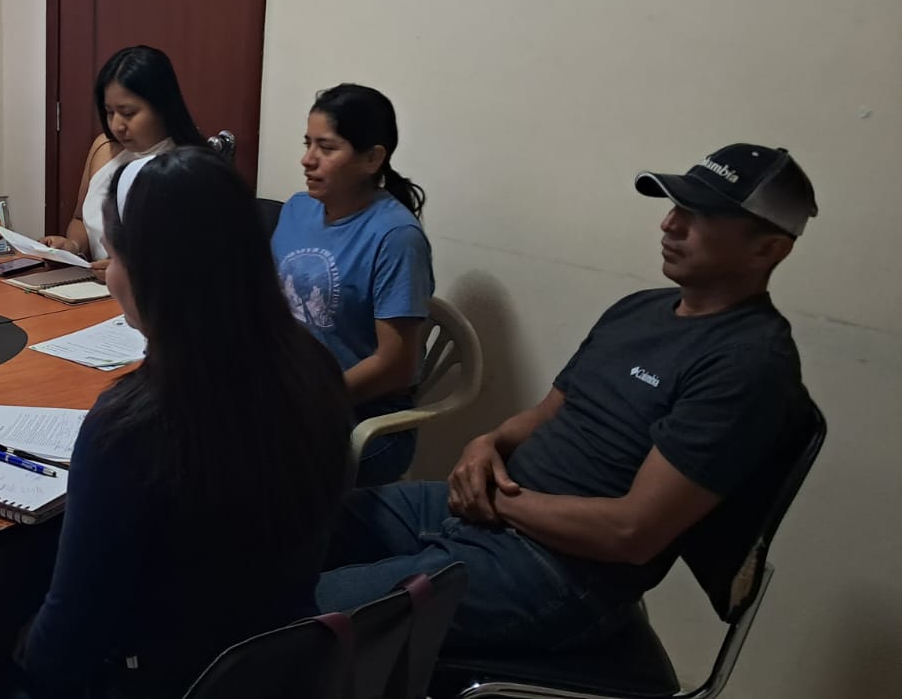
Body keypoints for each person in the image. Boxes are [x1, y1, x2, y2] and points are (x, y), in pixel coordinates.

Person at [315, 144, 818, 652]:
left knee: (306, 614)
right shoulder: (639, 309)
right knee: (296, 524)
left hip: (557, 572)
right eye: (675, 206)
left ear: (768, 249)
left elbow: (631, 533)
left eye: (701, 215)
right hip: (485, 514)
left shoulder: (748, 364)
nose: (670, 224)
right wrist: (485, 444)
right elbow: (545, 414)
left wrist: (496, 501)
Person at [18, 148, 351, 698]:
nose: (109, 276)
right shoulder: (314, 369)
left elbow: (66, 645)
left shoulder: (131, 426)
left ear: (153, 274)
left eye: (114, 256)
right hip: (284, 668)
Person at [270, 84, 433, 484]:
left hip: (363, 414)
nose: (307, 159)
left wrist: (310, 402)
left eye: (326, 148)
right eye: (308, 144)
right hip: (292, 390)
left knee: (253, 468)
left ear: (373, 158)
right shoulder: (297, 210)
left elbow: (396, 367)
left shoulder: (396, 237)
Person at [41, 46, 204, 274]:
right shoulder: (104, 147)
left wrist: (130, 272)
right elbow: (80, 219)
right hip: (91, 285)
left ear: (163, 106)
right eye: (110, 112)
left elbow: (194, 257)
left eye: (128, 113)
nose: (117, 125)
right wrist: (73, 247)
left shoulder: (189, 168)